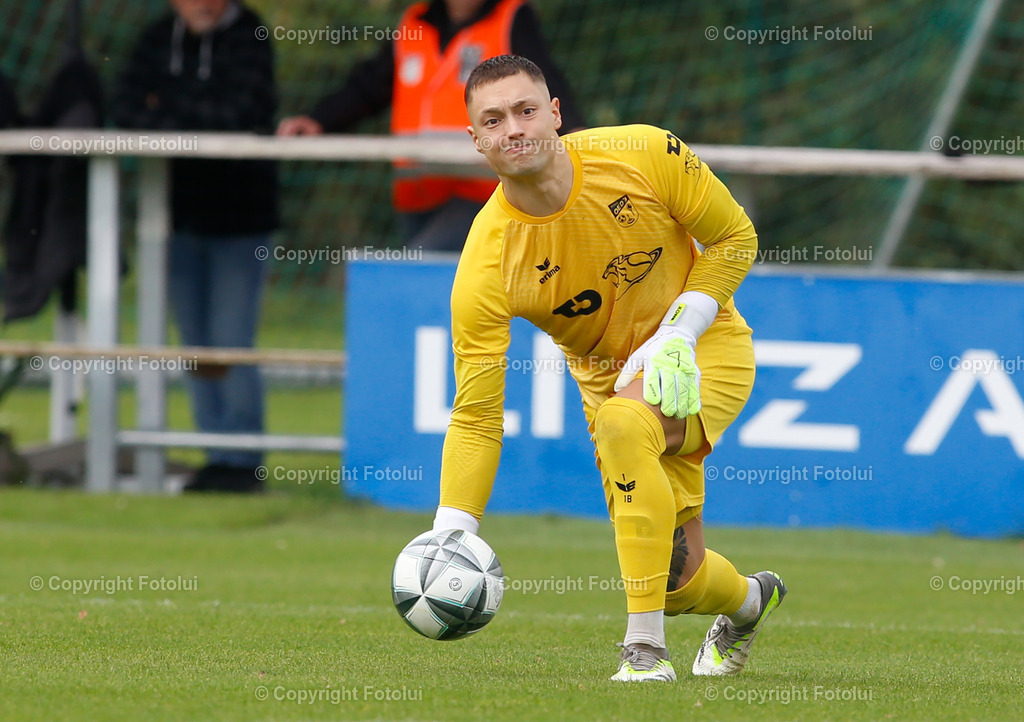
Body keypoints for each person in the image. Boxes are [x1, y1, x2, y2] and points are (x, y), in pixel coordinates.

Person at [431, 55, 787, 681]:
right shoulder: (486, 264)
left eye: (525, 110)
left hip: (705, 351)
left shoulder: (644, 152)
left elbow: (735, 238)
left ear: (555, 114)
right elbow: (478, 414)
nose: (512, 128)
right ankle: (750, 601)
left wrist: (681, 328)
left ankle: (643, 651)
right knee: (680, 582)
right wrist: (451, 531)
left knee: (626, 422)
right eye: (493, 119)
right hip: (611, 387)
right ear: (476, 139)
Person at [111, 0, 277, 493]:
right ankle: (216, 454)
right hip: (176, 216)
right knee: (195, 345)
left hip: (241, 217)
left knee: (231, 341)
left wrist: (166, 105)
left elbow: (238, 114)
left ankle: (242, 460)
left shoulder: (251, 35)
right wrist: (188, 108)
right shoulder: (157, 37)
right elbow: (124, 107)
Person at [277, 0, 583, 252]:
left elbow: (542, 82)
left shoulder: (512, 17)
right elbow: (368, 86)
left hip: (483, 192)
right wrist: (319, 119)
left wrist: (571, 131)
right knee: (437, 297)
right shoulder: (414, 22)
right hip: (415, 195)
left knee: (418, 267)